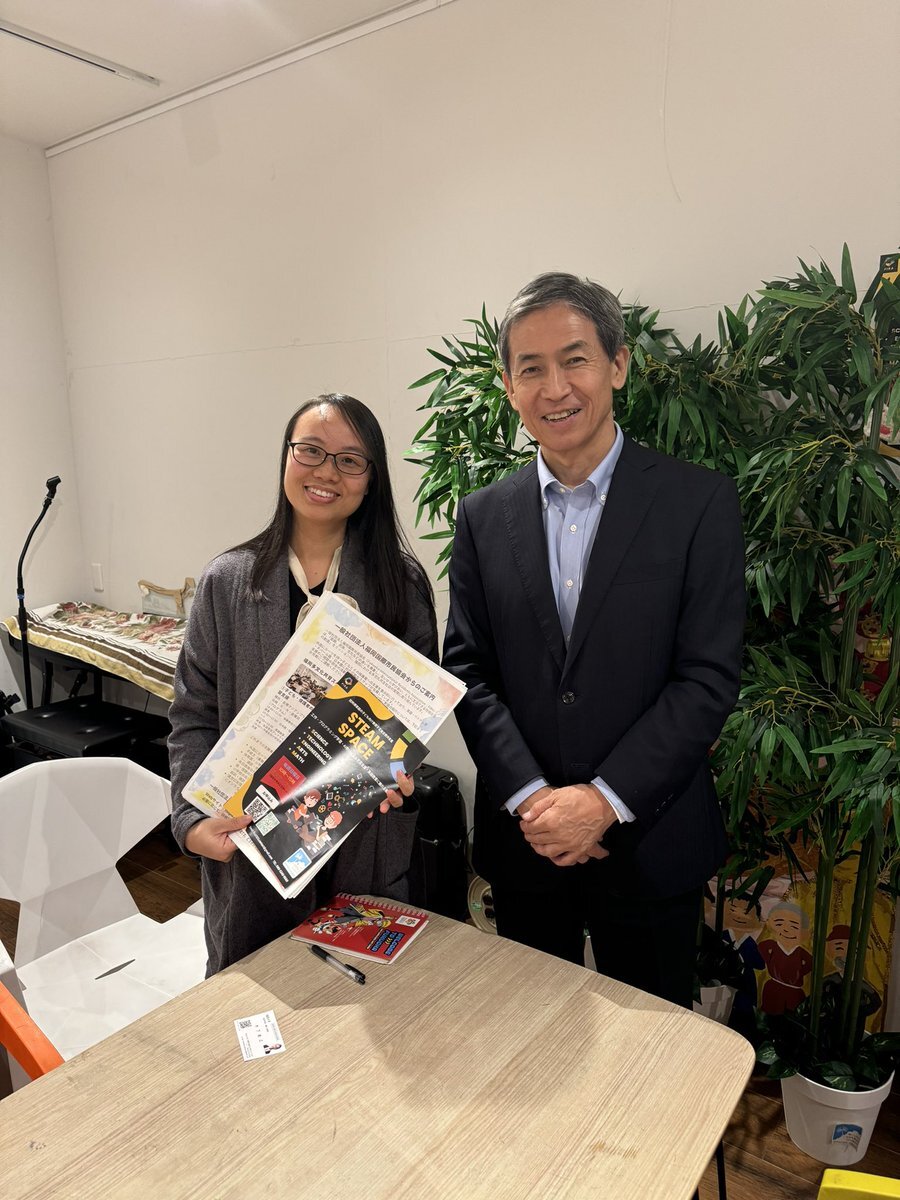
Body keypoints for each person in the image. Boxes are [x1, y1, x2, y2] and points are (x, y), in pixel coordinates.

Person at [442, 272, 745, 1007]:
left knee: (652, 1051)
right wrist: (534, 800)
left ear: (618, 364)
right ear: (508, 385)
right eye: (531, 368)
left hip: (650, 838)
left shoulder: (697, 502)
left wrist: (605, 799)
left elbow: (707, 677)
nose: (555, 388)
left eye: (574, 359)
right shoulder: (482, 516)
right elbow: (467, 670)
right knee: (530, 1038)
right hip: (527, 844)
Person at [169, 393, 437, 975]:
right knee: (256, 993)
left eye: (349, 460)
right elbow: (192, 714)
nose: (326, 472)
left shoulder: (400, 584)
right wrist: (190, 822)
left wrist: (399, 771)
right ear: (286, 457)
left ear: (371, 479)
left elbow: (416, 715)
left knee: (363, 1000)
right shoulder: (227, 582)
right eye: (310, 451)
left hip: (362, 836)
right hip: (251, 843)